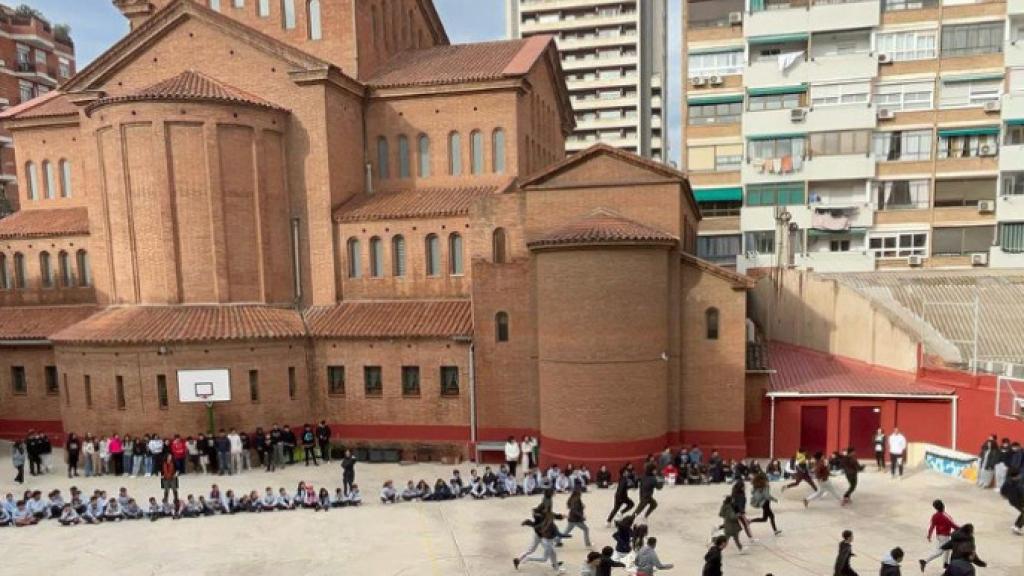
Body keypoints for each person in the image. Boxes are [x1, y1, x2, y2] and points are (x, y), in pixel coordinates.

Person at [514, 506, 566, 573]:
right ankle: (555, 566)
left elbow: (554, 516)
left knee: (549, 552)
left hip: (540, 536)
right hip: (543, 537)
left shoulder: (541, 516)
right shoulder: (542, 518)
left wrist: (561, 516)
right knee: (548, 553)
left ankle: (555, 566)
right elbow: (553, 516)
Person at [920, 499, 958, 571]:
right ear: (943, 506)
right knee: (939, 552)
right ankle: (925, 561)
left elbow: (932, 526)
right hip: (945, 536)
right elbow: (953, 525)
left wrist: (929, 535)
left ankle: (945, 563)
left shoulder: (935, 516)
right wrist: (962, 529)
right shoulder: (946, 516)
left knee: (948, 548)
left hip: (939, 536)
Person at [1000, 466, 1023, 535]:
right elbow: (1022, 494)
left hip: (1012, 501)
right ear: (1016, 476)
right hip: (1019, 501)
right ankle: (1017, 527)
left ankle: (1016, 526)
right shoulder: (1018, 484)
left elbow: (1002, 491)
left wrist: (1007, 496)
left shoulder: (1007, 481)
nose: (1020, 476)